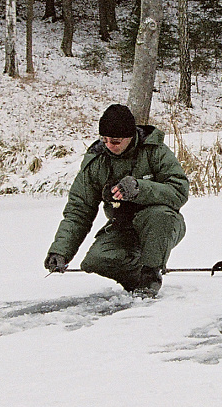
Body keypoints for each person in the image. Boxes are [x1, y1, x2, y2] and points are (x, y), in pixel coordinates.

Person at [44, 103, 189, 297]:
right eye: (104, 140)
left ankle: (150, 276)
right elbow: (79, 210)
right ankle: (137, 278)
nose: (109, 146)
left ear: (130, 137)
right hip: (123, 226)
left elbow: (179, 191)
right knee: (95, 260)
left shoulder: (155, 151)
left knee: (158, 215)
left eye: (115, 141)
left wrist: (140, 189)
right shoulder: (97, 162)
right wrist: (60, 251)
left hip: (163, 224)